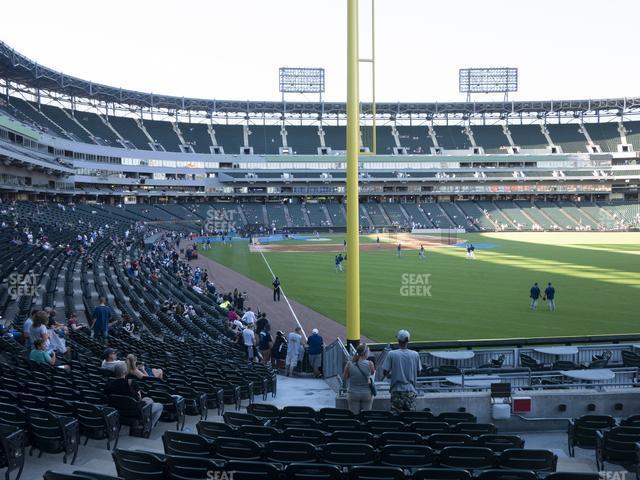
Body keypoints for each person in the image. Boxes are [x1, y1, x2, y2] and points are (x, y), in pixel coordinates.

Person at [103, 362, 163, 428]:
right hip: (135, 412)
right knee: (159, 405)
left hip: (118, 410)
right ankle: (148, 427)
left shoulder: (108, 385)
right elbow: (139, 398)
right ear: (125, 372)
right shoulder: (131, 383)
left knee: (149, 400)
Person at [382, 329, 422, 414]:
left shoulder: (392, 354)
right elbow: (419, 372)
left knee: (396, 419)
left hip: (396, 391)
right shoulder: (415, 354)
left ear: (398, 340)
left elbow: (385, 372)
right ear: (408, 340)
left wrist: (392, 374)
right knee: (410, 418)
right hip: (410, 391)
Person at [342, 343, 375, 414]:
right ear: (365, 353)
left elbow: (344, 377)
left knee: (354, 416)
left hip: (353, 393)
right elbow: (372, 373)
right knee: (366, 416)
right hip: (366, 393)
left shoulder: (349, 364)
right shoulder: (370, 363)